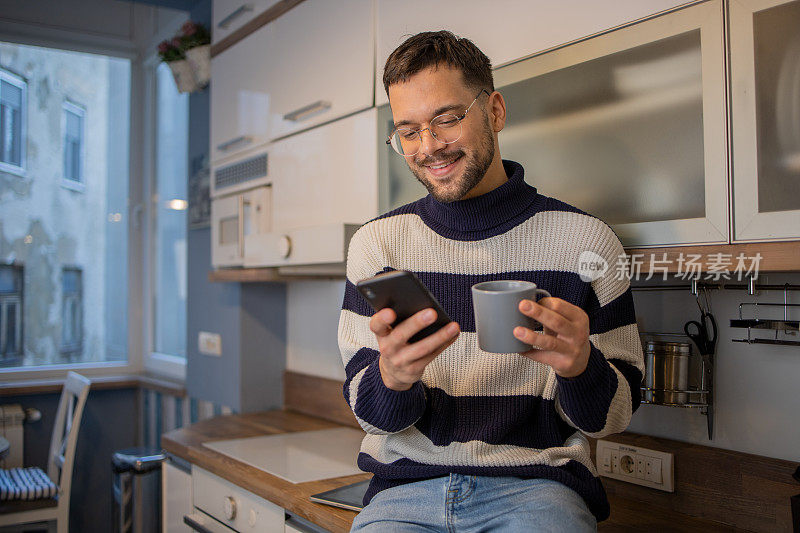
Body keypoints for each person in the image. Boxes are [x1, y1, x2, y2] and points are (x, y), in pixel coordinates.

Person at [338, 30, 644, 532]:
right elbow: (370, 413)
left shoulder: (586, 243)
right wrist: (393, 378)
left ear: (495, 111)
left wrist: (580, 367)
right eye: (408, 131)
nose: (429, 147)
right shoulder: (378, 246)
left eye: (447, 119)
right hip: (403, 496)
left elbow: (613, 417)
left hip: (539, 494)